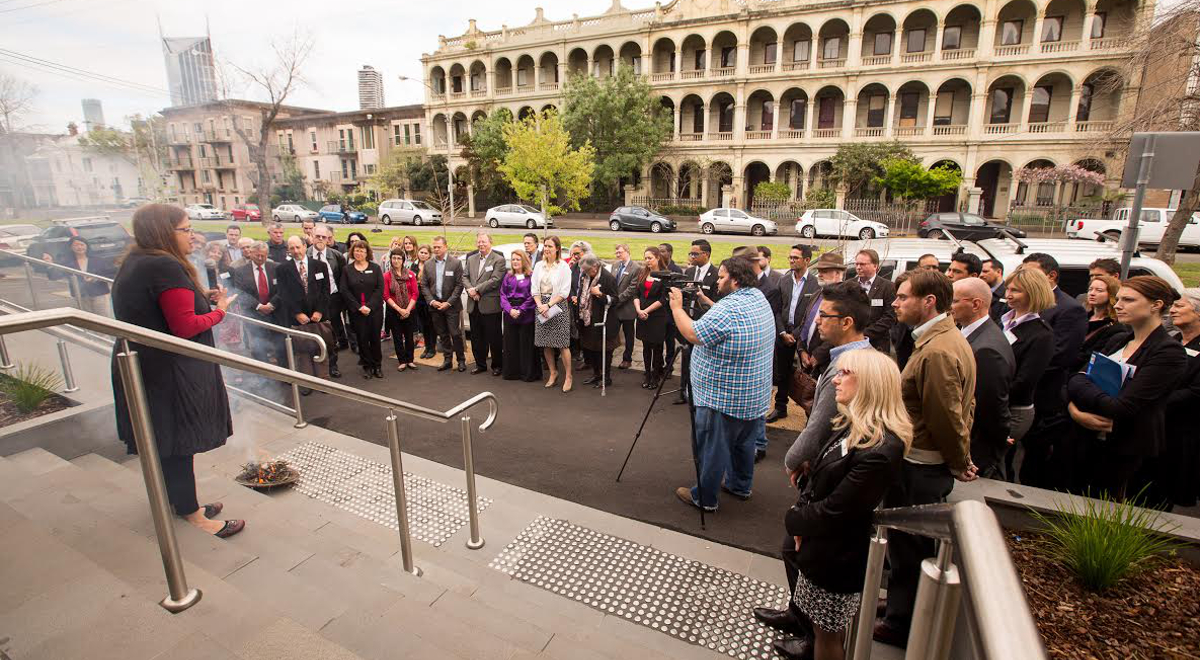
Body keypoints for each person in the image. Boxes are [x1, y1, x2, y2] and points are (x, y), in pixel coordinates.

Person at [768, 349, 911, 660]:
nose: (836, 379)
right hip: (822, 546)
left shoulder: (881, 449)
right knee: (822, 628)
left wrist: (796, 520)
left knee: (828, 636)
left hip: (837, 556)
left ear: (871, 385)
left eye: (846, 374)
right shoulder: (854, 424)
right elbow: (826, 472)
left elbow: (838, 509)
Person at [110, 203, 243, 538]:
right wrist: (220, 311)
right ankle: (193, 514)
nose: (192, 236)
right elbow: (184, 327)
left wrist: (202, 299)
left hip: (144, 364)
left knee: (167, 441)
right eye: (185, 229)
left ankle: (182, 501)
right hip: (168, 373)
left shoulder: (137, 260)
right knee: (178, 443)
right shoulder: (164, 266)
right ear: (163, 232)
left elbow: (166, 310)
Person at [876, 269, 976, 647]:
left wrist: (958, 460)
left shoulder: (936, 351)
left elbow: (946, 415)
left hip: (919, 465)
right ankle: (899, 603)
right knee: (905, 546)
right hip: (920, 460)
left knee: (909, 545)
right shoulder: (943, 338)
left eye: (903, 297)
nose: (895, 303)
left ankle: (901, 622)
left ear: (928, 301)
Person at [1066, 276, 1186, 501]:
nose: (1118, 305)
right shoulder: (1118, 340)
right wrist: (1076, 411)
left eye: (1128, 300)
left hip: (1125, 452)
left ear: (1156, 305)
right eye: (1118, 299)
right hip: (1087, 442)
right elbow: (1073, 380)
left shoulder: (1168, 352)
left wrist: (1082, 388)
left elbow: (1122, 407)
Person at [670, 256, 775, 511]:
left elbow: (693, 333)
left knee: (713, 451)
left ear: (735, 280)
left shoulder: (728, 309)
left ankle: (705, 498)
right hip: (752, 394)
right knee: (743, 446)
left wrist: (676, 308)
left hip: (721, 398)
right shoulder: (758, 298)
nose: (717, 280)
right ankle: (740, 485)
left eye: (721, 276)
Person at [782, 281, 874, 477]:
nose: (817, 321)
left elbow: (819, 427)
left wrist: (792, 461)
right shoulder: (868, 354)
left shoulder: (844, 371)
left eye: (823, 315)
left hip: (830, 468)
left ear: (846, 322)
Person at [1018, 252, 1087, 489]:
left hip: (1043, 395)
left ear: (1051, 276)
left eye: (1031, 273)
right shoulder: (1023, 306)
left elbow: (1060, 355)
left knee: (1035, 453)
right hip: (1019, 390)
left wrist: (1019, 371)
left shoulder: (1069, 309)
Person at [952, 277, 1015, 480]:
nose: (949, 306)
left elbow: (991, 406)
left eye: (954, 301)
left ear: (975, 304)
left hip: (977, 445)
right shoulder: (971, 334)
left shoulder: (987, 348)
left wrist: (999, 439)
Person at [998, 266, 1055, 474]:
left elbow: (1025, 382)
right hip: (997, 402)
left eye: (1016, 290)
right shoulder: (1005, 321)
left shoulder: (1042, 335)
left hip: (1013, 410)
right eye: (1008, 289)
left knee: (997, 462)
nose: (1008, 295)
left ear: (1033, 292)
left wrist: (990, 398)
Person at [1153, 289, 1200, 510]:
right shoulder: (1173, 339)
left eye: (1180, 306)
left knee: (1168, 487)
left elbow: (1195, 392)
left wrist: (1155, 401)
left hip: (1184, 431)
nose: (1172, 310)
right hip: (1158, 425)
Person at [768, 244, 818, 422]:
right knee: (782, 372)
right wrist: (782, 332)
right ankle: (780, 407)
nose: (791, 260)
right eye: (790, 257)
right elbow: (778, 308)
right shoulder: (784, 280)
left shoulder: (815, 283)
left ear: (806, 260)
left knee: (808, 377)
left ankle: (810, 414)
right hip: (783, 333)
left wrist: (796, 335)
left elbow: (811, 314)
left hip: (803, 336)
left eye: (795, 258)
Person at [277, 236, 332, 392]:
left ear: (304, 246)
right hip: (298, 318)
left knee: (320, 348)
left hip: (318, 317)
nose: (296, 251)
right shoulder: (283, 269)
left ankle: (323, 381)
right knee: (302, 350)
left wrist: (319, 311)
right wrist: (297, 314)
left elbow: (325, 290)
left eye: (298, 247)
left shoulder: (320, 266)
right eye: (292, 248)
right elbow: (283, 294)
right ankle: (307, 383)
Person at [675, 239, 720, 406]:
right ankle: (683, 391)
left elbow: (716, 302)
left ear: (706, 254)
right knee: (686, 358)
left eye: (695, 253)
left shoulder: (715, 274)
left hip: (705, 325)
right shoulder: (690, 271)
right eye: (690, 253)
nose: (691, 256)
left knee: (701, 362)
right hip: (689, 321)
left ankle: (698, 395)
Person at [230, 242, 284, 364]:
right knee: (258, 346)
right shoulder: (240, 271)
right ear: (251, 253)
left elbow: (283, 289)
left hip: (275, 313)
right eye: (257, 255)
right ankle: (264, 373)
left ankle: (283, 371)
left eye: (263, 256)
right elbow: (240, 292)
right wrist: (258, 306)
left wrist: (271, 304)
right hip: (253, 314)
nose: (260, 258)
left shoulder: (276, 267)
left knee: (279, 344)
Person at [532, 236, 574, 391]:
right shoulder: (538, 266)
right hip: (541, 305)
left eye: (550, 246)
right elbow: (534, 289)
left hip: (558, 306)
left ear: (557, 248)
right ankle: (553, 372)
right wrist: (540, 305)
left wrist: (548, 305)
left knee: (562, 344)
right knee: (546, 343)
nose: (547, 249)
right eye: (545, 246)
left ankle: (568, 376)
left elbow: (564, 292)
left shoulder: (563, 267)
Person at [419, 236, 466, 372]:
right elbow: (424, 285)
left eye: (439, 247)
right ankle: (447, 360)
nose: (436, 249)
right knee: (442, 333)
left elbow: (459, 285)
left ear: (445, 247)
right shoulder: (428, 264)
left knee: (455, 333)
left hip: (451, 306)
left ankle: (461, 360)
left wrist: (449, 302)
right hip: (435, 306)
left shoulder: (455, 263)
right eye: (434, 247)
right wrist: (432, 301)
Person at [797, 253, 847, 381]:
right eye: (819, 271)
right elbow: (805, 323)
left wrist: (818, 355)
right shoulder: (817, 294)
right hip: (808, 360)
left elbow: (840, 332)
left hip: (828, 364)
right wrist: (801, 349)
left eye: (824, 271)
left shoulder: (845, 298)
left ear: (837, 273)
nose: (819, 274)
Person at [340, 239, 385, 379]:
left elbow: (379, 289)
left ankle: (377, 365)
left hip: (374, 311)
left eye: (362, 250)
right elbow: (344, 290)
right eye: (356, 250)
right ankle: (367, 366)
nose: (359, 253)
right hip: (357, 313)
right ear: (352, 252)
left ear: (367, 253)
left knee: (375, 339)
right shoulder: (347, 270)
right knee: (362, 339)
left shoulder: (375, 268)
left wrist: (369, 306)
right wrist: (359, 307)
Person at [464, 232, 507, 376]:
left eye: (484, 242)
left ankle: (497, 365)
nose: (481, 244)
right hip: (473, 304)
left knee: (494, 337)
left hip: (490, 305)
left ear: (491, 242)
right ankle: (480, 364)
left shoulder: (498, 260)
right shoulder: (471, 259)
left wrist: (476, 289)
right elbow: (465, 277)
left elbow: (495, 280)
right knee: (476, 337)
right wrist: (470, 290)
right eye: (479, 242)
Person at [577, 253, 620, 388]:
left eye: (588, 270)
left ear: (595, 266)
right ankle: (596, 375)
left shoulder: (608, 278)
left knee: (604, 352)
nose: (586, 273)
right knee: (591, 350)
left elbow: (615, 300)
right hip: (588, 320)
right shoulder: (585, 275)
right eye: (584, 270)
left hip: (604, 322)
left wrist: (599, 294)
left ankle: (606, 378)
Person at [309, 225, 349, 369]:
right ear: (312, 237)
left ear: (328, 239)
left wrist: (342, 301)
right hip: (313, 303)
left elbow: (342, 279)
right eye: (317, 236)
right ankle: (317, 366)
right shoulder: (306, 255)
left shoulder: (336, 256)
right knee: (315, 334)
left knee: (331, 334)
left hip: (333, 299)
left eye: (324, 237)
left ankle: (333, 366)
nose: (320, 239)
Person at [48, 235, 116, 316]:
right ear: (71, 247)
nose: (79, 247)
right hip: (81, 295)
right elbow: (54, 276)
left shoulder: (98, 260)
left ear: (87, 246)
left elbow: (111, 274)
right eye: (76, 245)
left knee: (104, 319)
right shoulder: (67, 263)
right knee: (87, 320)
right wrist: (50, 264)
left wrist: (96, 278)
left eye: (82, 244)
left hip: (100, 294)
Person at [500, 250, 541, 383]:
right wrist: (509, 310)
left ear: (524, 260)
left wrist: (521, 310)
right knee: (511, 344)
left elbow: (532, 295)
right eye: (513, 259)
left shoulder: (531, 276)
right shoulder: (508, 276)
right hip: (510, 314)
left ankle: (527, 373)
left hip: (526, 314)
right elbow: (502, 294)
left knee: (526, 344)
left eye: (518, 259)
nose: (515, 262)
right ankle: (512, 373)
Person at [635, 246, 671, 389]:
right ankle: (647, 375)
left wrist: (646, 311)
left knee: (657, 348)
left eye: (650, 258)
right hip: (642, 315)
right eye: (645, 258)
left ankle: (656, 377)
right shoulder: (643, 273)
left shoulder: (665, 275)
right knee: (645, 347)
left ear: (658, 258)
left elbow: (663, 299)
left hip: (656, 316)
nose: (647, 261)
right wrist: (639, 310)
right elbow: (636, 294)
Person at [1074, 274, 1124, 371]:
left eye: (1099, 290)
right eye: (1090, 289)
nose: (1092, 293)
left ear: (1111, 294)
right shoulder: (1082, 317)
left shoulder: (1115, 326)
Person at [853, 249, 897, 353]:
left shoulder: (888, 287)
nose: (858, 267)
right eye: (857, 264)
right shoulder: (849, 285)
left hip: (877, 345)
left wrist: (864, 334)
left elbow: (890, 317)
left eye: (863, 264)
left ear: (875, 266)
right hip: (852, 345)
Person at [384, 247, 419, 372]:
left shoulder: (410, 274)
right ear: (391, 259)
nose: (396, 261)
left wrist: (408, 310)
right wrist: (399, 309)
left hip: (409, 310)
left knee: (409, 336)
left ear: (403, 260)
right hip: (394, 311)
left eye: (399, 258)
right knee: (397, 337)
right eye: (394, 258)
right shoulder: (387, 276)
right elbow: (386, 296)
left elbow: (415, 293)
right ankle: (402, 361)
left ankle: (410, 360)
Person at [612, 244, 641, 370]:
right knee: (612, 333)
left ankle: (627, 359)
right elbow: (612, 283)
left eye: (620, 252)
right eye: (616, 253)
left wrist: (617, 300)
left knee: (629, 335)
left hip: (627, 308)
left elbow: (632, 288)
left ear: (627, 252)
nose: (618, 255)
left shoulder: (636, 268)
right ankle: (609, 356)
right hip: (615, 308)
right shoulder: (615, 265)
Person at [660, 242, 683, 377]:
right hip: (658, 312)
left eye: (662, 251)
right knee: (657, 340)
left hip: (670, 313)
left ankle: (669, 367)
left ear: (670, 253)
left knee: (669, 342)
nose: (660, 253)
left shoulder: (677, 270)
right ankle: (657, 365)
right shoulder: (657, 268)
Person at [414, 244, 436, 360]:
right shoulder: (414, 265)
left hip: (429, 299)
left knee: (431, 325)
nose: (423, 255)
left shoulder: (432, 266)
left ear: (429, 255)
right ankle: (427, 347)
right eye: (421, 252)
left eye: (425, 253)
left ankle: (432, 348)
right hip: (418, 300)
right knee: (423, 326)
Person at [981, 259, 1007, 323]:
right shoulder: (979, 292)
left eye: (985, 271)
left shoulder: (1008, 294)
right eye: (980, 272)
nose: (981, 275)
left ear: (999, 272)